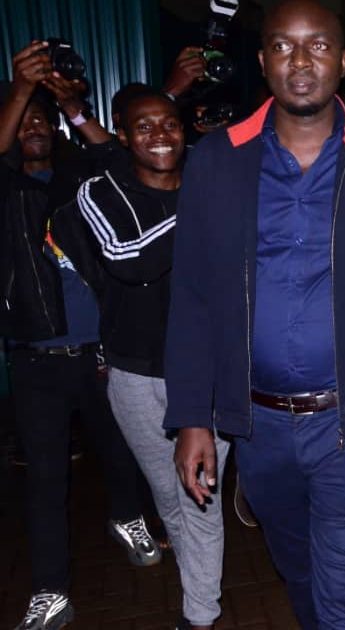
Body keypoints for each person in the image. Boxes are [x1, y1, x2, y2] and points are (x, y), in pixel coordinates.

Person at [164, 1, 345, 627]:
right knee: (297, 567)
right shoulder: (218, 161)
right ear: (263, 60)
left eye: (317, 45)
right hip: (258, 424)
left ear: (342, 61)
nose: (300, 61)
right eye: (283, 46)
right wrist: (191, 418)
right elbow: (191, 298)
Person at [53, 89, 230, 630]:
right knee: (168, 496)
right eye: (145, 127)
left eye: (169, 123)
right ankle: (197, 591)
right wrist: (200, 212)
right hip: (134, 373)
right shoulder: (99, 191)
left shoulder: (211, 178)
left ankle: (200, 614)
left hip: (210, 374)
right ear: (123, 135)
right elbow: (128, 258)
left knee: (200, 499)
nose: (160, 136)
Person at [0, 41, 159, 630]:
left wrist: (72, 107)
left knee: (121, 453)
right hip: (36, 362)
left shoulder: (76, 178)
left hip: (100, 353)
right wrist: (22, 89)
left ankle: (128, 516)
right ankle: (51, 590)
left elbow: (118, 157)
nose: (34, 127)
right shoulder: (6, 192)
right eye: (24, 121)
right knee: (46, 481)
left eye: (42, 120)